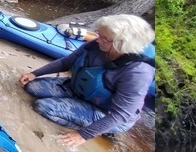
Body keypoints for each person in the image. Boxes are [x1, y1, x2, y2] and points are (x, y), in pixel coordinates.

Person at [17, 14, 155, 148]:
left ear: (121, 44)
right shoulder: (96, 45)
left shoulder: (138, 72)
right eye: (99, 34)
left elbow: (121, 114)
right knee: (31, 87)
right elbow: (66, 62)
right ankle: (76, 105)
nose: (97, 39)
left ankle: (104, 130)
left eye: (104, 38)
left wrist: (82, 135)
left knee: (43, 106)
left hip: (105, 112)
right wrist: (35, 73)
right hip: (79, 90)